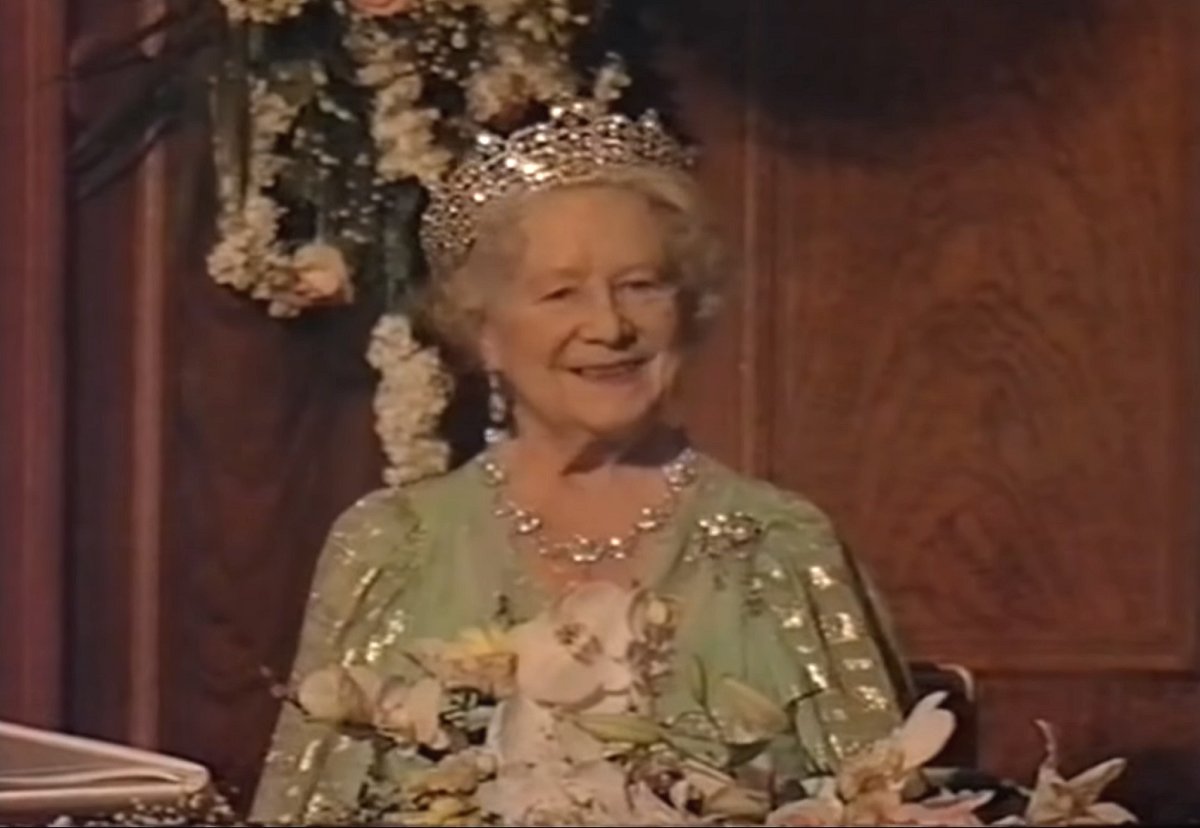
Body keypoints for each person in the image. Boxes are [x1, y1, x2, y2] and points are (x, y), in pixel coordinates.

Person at [249, 100, 911, 824]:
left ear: (686, 312)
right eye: (562, 292)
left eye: (641, 285)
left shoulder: (784, 543)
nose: (610, 326)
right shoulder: (390, 544)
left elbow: (884, 803)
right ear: (484, 332)